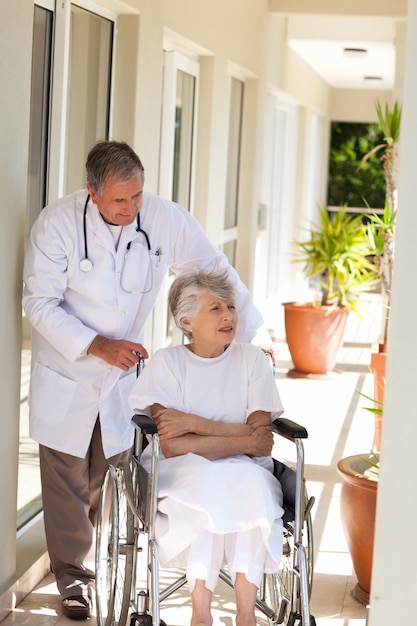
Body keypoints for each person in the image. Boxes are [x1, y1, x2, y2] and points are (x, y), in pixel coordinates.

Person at [22, 140, 276, 620]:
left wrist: (247, 333)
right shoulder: (56, 225)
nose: (131, 207)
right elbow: (39, 303)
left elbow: (211, 268)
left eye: (137, 196)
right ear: (92, 193)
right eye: (120, 199)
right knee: (66, 478)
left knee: (110, 474)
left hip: (123, 376)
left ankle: (103, 563)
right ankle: (74, 581)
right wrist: (98, 345)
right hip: (69, 367)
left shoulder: (163, 217)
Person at [129, 268, 284, 626]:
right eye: (216, 309)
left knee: (247, 485)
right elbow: (172, 446)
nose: (229, 316)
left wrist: (195, 425)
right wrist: (239, 438)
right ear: (186, 320)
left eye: (230, 306)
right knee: (209, 487)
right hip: (179, 472)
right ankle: (202, 613)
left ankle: (246, 615)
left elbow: (261, 441)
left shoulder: (252, 360)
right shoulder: (167, 364)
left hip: (246, 468)